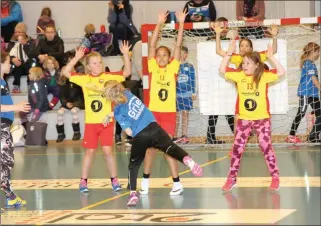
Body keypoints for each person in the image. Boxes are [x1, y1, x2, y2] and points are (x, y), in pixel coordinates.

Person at [99, 80, 203, 206]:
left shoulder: (118, 111)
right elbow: (123, 105)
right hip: (154, 127)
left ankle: (132, 195)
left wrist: (118, 118)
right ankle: (188, 161)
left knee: (133, 165)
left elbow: (129, 132)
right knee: (171, 147)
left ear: (110, 97)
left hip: (140, 136)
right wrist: (110, 115)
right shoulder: (129, 93)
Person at [61, 41, 131, 193]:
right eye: (94, 63)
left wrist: (125, 54)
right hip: (91, 123)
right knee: (90, 152)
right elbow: (66, 72)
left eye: (100, 62)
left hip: (106, 122)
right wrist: (76, 57)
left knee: (107, 152)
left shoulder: (108, 77)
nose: (98, 65)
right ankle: (83, 181)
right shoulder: (84, 79)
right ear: (88, 66)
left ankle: (114, 180)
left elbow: (126, 73)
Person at [219, 41, 286, 192]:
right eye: (243, 63)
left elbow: (281, 72)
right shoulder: (239, 75)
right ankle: (231, 178)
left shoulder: (263, 76)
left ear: (256, 65)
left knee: (265, 146)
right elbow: (222, 69)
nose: (244, 65)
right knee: (237, 148)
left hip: (262, 119)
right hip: (244, 120)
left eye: (248, 63)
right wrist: (229, 53)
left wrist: (271, 58)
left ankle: (275, 177)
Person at [139, 10, 187, 196]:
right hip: (152, 114)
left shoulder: (173, 68)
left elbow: (178, 44)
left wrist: (181, 23)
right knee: (150, 149)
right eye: (158, 54)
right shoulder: (152, 67)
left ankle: (177, 183)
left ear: (169, 58)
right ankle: (145, 181)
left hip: (168, 114)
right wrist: (159, 23)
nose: (160, 57)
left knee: (167, 148)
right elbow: (151, 45)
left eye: (164, 55)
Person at [1, 51, 30, 210]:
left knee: (6, 163)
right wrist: (16, 107)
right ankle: (10, 195)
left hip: (5, 125)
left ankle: (10, 196)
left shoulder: (3, 82)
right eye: (7, 62)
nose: (10, 65)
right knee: (4, 163)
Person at [286, 42, 321, 143]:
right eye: (318, 51)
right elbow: (314, 79)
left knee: (320, 114)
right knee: (301, 113)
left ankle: (313, 136)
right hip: (306, 93)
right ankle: (291, 136)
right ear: (313, 52)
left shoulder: (311, 63)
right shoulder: (308, 63)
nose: (319, 54)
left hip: (313, 94)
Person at [173, 46, 196, 144]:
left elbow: (192, 80)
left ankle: (184, 135)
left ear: (186, 55)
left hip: (187, 94)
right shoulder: (173, 66)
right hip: (176, 94)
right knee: (176, 115)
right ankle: (174, 136)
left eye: (181, 53)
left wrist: (194, 92)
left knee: (185, 114)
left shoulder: (189, 66)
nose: (179, 55)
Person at [56, 67, 85, 143]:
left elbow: (81, 96)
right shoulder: (62, 82)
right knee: (59, 112)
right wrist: (66, 103)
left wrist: (74, 104)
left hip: (78, 104)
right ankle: (61, 133)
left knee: (74, 111)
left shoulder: (77, 81)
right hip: (67, 104)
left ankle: (76, 132)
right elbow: (61, 96)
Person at [6, 22, 36, 93]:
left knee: (30, 64)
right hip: (17, 65)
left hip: (28, 64)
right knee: (17, 66)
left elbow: (32, 54)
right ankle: (16, 86)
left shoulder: (31, 41)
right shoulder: (12, 42)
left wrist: (25, 44)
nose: (17, 34)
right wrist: (12, 59)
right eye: (16, 32)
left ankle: (30, 85)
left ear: (24, 32)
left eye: (20, 32)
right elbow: (7, 55)